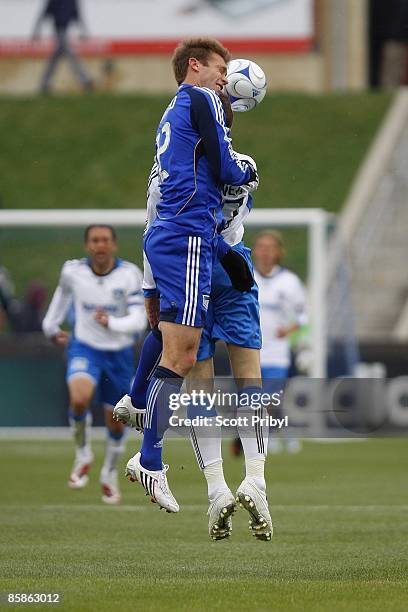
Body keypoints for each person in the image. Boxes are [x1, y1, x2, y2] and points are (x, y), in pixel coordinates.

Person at [115, 92, 272, 541]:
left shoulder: (166, 171)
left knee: (197, 379)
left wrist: (150, 286)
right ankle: (256, 479)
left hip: (190, 264)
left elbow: (153, 220)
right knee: (248, 376)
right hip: (225, 262)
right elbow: (239, 185)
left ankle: (216, 488)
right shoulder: (243, 164)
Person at [42, 225, 146, 504]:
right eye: (94, 240)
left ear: (114, 245)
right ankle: (83, 453)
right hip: (84, 347)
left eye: (105, 240)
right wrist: (51, 327)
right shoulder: (72, 272)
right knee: (79, 398)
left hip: (118, 354)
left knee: (116, 423)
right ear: (87, 245)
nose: (100, 245)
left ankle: (109, 473)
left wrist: (111, 322)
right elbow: (61, 299)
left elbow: (140, 319)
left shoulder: (130, 275)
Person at [253, 230, 308, 453]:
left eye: (270, 248)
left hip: (277, 350)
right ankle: (274, 432)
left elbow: (304, 315)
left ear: (279, 252)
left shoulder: (290, 281)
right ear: (254, 251)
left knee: (272, 394)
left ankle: (274, 433)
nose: (265, 252)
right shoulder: (246, 278)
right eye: (261, 247)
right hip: (250, 348)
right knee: (255, 396)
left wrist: (290, 329)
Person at [32, 0, 93, 94]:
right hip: (58, 30)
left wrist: (83, 31)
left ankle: (44, 84)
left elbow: (78, 15)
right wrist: (36, 31)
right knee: (70, 54)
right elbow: (44, 14)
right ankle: (84, 80)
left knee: (55, 58)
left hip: (65, 30)